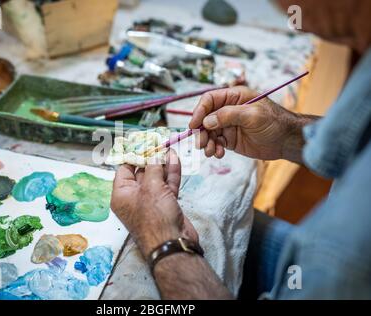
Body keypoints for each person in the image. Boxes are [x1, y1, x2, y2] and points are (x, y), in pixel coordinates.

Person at [110, 0, 371, 299]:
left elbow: (344, 260)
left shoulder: (352, 246)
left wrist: (163, 240)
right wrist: (289, 132)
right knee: (222, 218)